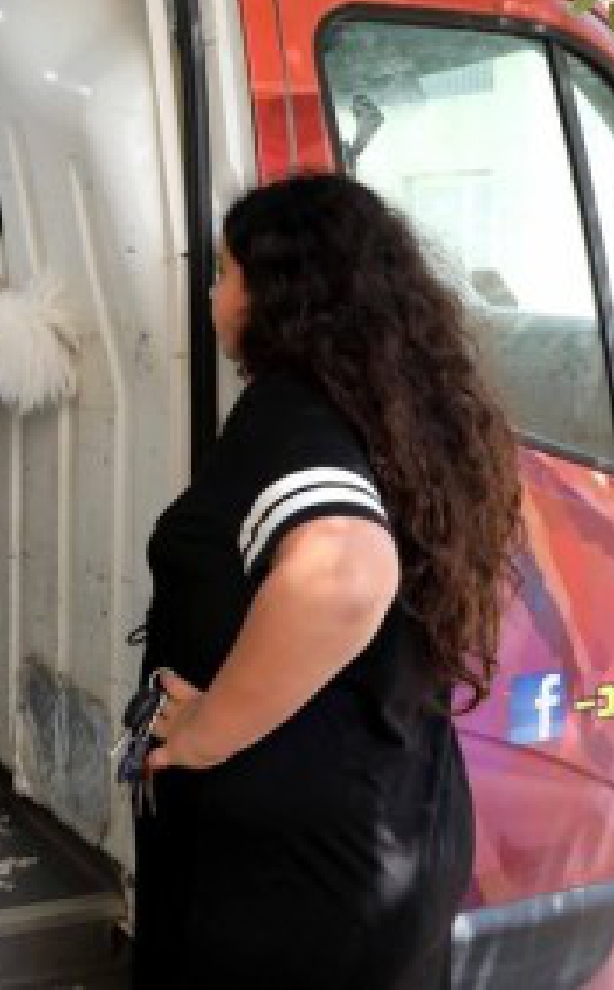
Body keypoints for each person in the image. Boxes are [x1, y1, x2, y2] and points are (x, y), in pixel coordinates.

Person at [131, 172, 521, 987]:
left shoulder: (289, 414)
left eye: (223, 270)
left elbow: (344, 571)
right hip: (394, 832)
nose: (212, 290)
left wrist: (207, 729)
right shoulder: (398, 411)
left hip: (293, 890)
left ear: (274, 292)